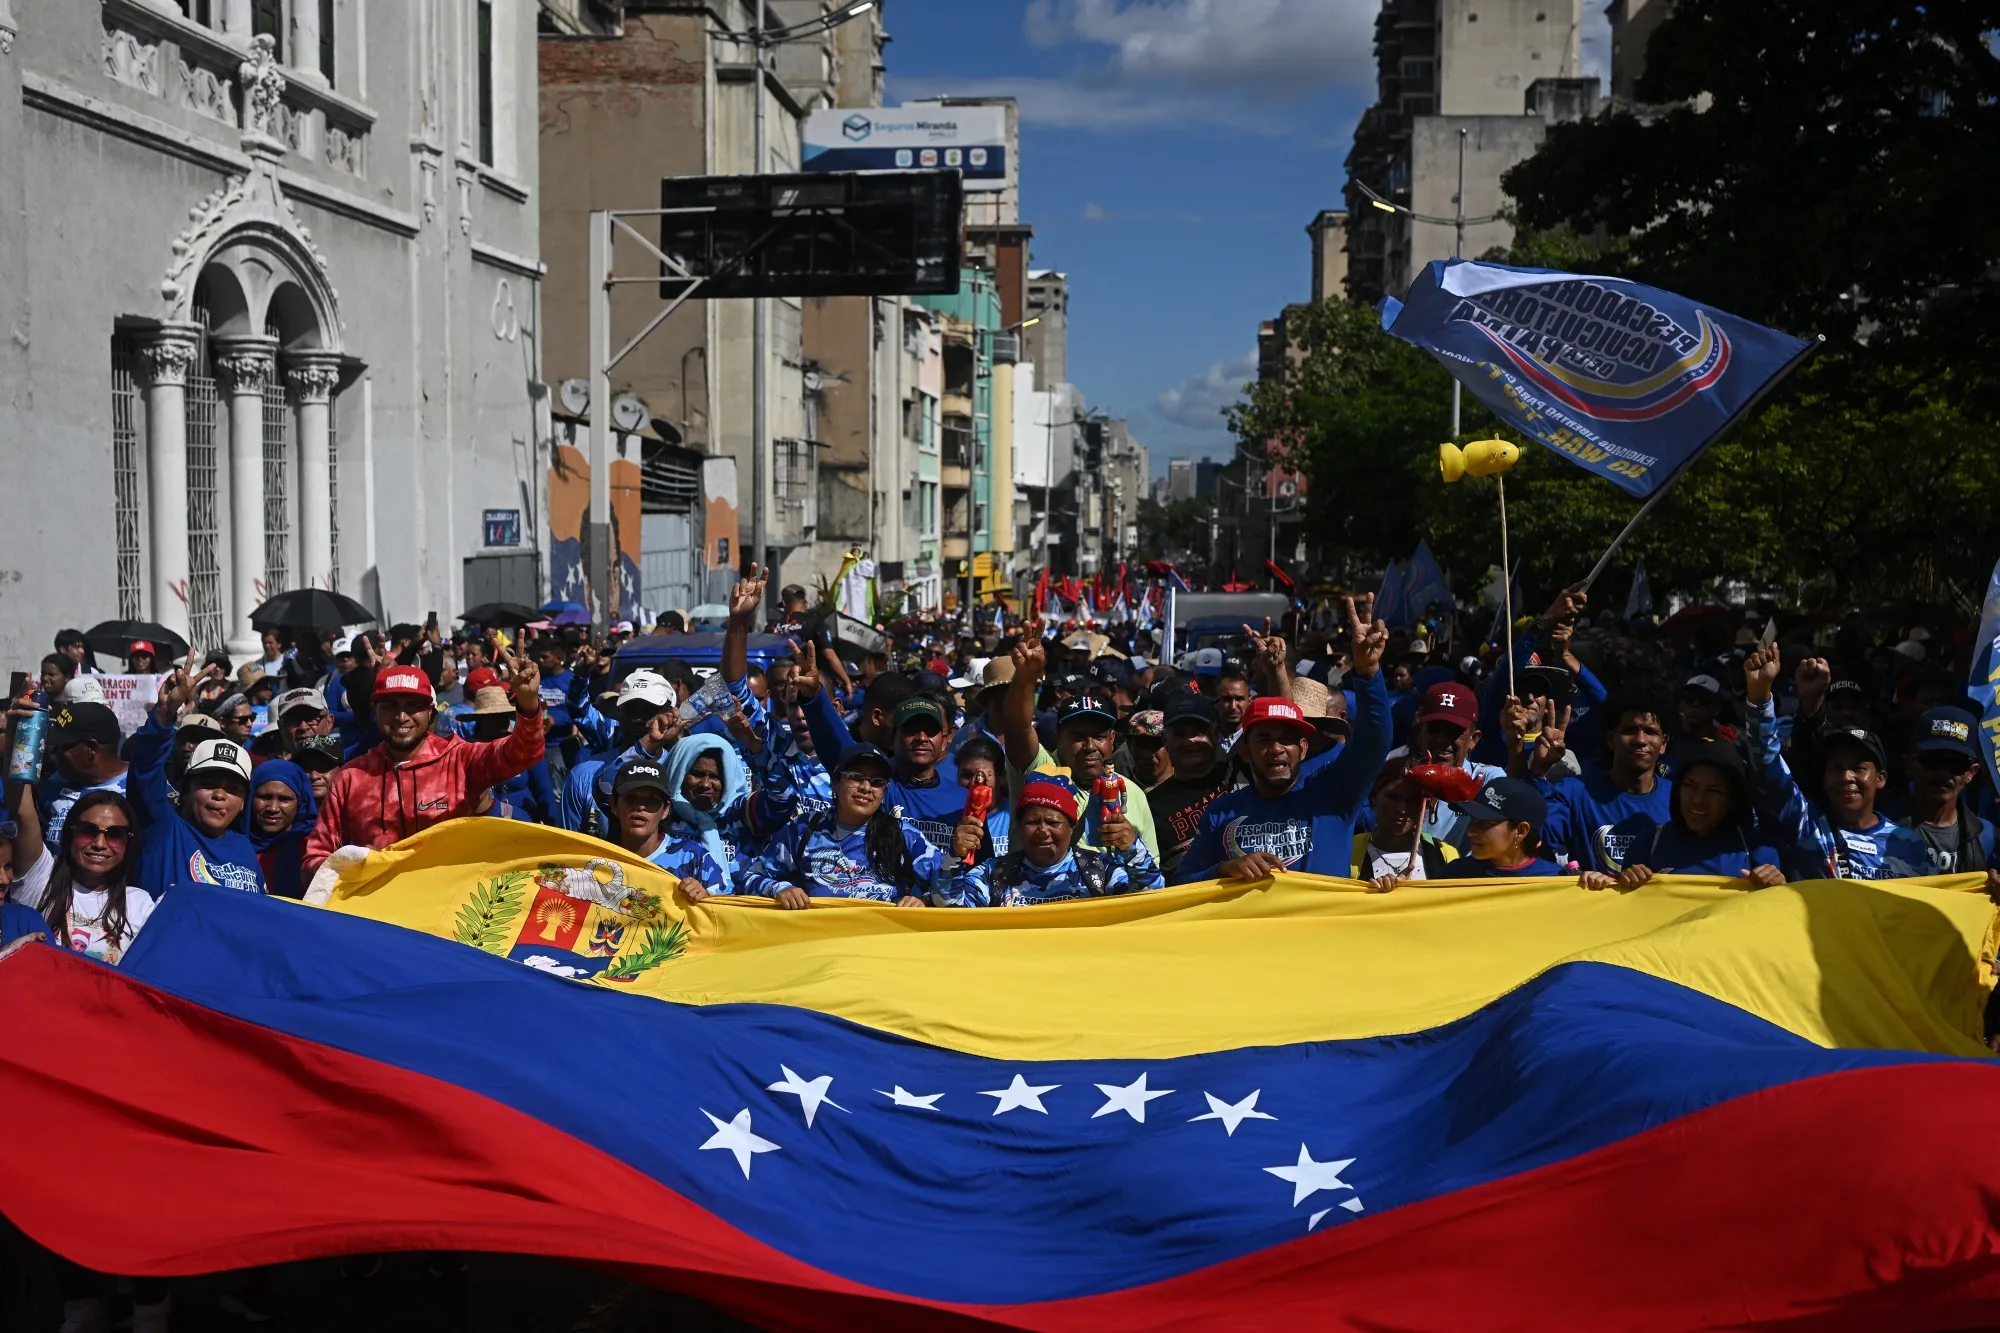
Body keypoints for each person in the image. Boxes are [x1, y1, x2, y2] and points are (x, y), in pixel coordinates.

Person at [1176, 597, 1390, 882]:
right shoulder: (1221, 813)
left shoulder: (1334, 792)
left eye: (1287, 740)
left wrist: (1368, 673)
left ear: (1302, 748)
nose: (1276, 749)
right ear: (1244, 751)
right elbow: (1181, 884)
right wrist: (1224, 870)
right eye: (1264, 739)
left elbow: (1374, 741)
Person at [303, 651, 548, 875]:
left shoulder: (459, 760)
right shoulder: (351, 778)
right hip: (377, 918)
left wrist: (527, 704)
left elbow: (523, 753)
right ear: (375, 710)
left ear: (431, 712)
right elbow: (315, 858)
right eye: (390, 706)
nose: (401, 717)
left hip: (450, 914)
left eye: (413, 706)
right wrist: (354, 863)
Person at [1742, 643, 1930, 880]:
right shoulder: (1805, 825)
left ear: (1881, 779)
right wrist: (1759, 695)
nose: (1846, 777)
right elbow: (1767, 762)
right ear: (1824, 777)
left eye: (1858, 768)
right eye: (1836, 768)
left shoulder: (1908, 843)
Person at [1000, 631, 1162, 859]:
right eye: (1078, 737)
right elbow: (1018, 728)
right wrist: (1027, 676)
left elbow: (1152, 877)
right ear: (1057, 737)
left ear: (1113, 739)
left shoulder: (1133, 794)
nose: (1089, 746)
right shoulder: (1042, 772)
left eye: (1099, 737)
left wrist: (1132, 847)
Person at [792, 643, 966, 849]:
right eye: (911, 729)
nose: (921, 737)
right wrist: (814, 697)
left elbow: (981, 867)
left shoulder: (963, 800)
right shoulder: (878, 784)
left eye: (930, 731)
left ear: (945, 738)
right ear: (894, 736)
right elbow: (835, 743)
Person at [738, 744, 944, 907]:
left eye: (876, 782)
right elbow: (751, 876)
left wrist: (924, 900)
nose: (866, 787)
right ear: (835, 783)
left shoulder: (904, 835)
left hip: (881, 948)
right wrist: (779, 889)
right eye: (856, 777)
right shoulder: (802, 830)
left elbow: (947, 884)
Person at [1579, 739, 1786, 888]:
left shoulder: (1757, 851)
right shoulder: (1649, 843)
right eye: (1690, 786)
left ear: (1732, 800)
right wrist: (1624, 883)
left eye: (1713, 791)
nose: (1697, 799)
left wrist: (1778, 890)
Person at [1513, 685, 1675, 873]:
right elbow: (1525, 838)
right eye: (1630, 730)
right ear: (1611, 739)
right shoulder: (1575, 793)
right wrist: (1536, 770)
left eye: (1651, 731)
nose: (1640, 739)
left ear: (1663, 744)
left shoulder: (1679, 799)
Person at [941, 774, 1163, 906]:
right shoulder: (994, 873)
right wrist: (955, 855)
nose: (1042, 831)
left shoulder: (1100, 870)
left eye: (1053, 822)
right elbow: (948, 905)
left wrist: (1133, 849)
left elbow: (1151, 897)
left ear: (1071, 828)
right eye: (1032, 822)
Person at [626, 733, 795, 900]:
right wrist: (648, 743)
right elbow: (609, 791)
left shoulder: (742, 812)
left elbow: (784, 798)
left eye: (715, 777)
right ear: (679, 771)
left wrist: (757, 749)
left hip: (738, 916)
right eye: (697, 774)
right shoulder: (660, 811)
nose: (706, 784)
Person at [5, 785, 153, 963]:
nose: (99, 843)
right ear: (70, 833)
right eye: (88, 830)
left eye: (115, 834)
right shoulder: (42, 878)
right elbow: (21, 808)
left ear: (129, 842)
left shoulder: (140, 903)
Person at [1895, 707, 1995, 877]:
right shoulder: (1880, 827)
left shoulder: (1987, 836)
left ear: (1972, 772)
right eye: (1933, 761)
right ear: (1910, 764)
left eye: (1957, 764)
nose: (1944, 773)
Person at [1142, 691, 1233, 876]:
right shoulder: (1150, 806)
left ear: (1215, 734)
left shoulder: (1238, 773)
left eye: (1198, 732)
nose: (1189, 741)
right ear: (1166, 741)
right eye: (1179, 734)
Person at [34, 700, 130, 846]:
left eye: (62, 747)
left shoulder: (141, 790)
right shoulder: (55, 783)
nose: (54, 754)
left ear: (91, 748)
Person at [1353, 759, 1461, 887]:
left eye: (1413, 799)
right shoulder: (1349, 851)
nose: (1402, 809)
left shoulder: (1446, 855)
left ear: (1426, 805)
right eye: (1393, 797)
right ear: (1374, 797)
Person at [1438, 778, 1565, 879]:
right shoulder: (1455, 874)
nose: (1470, 831)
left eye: (1486, 823)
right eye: (1473, 821)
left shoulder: (1556, 880)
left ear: (1521, 831)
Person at [249, 759, 318, 899]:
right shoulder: (231, 845)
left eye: (284, 799)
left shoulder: (311, 850)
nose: (273, 808)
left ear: (300, 804)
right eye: (265, 797)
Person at [952, 735, 1012, 856]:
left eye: (982, 775)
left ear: (1001, 776)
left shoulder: (1017, 817)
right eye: (966, 775)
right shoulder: (948, 818)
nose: (975, 783)